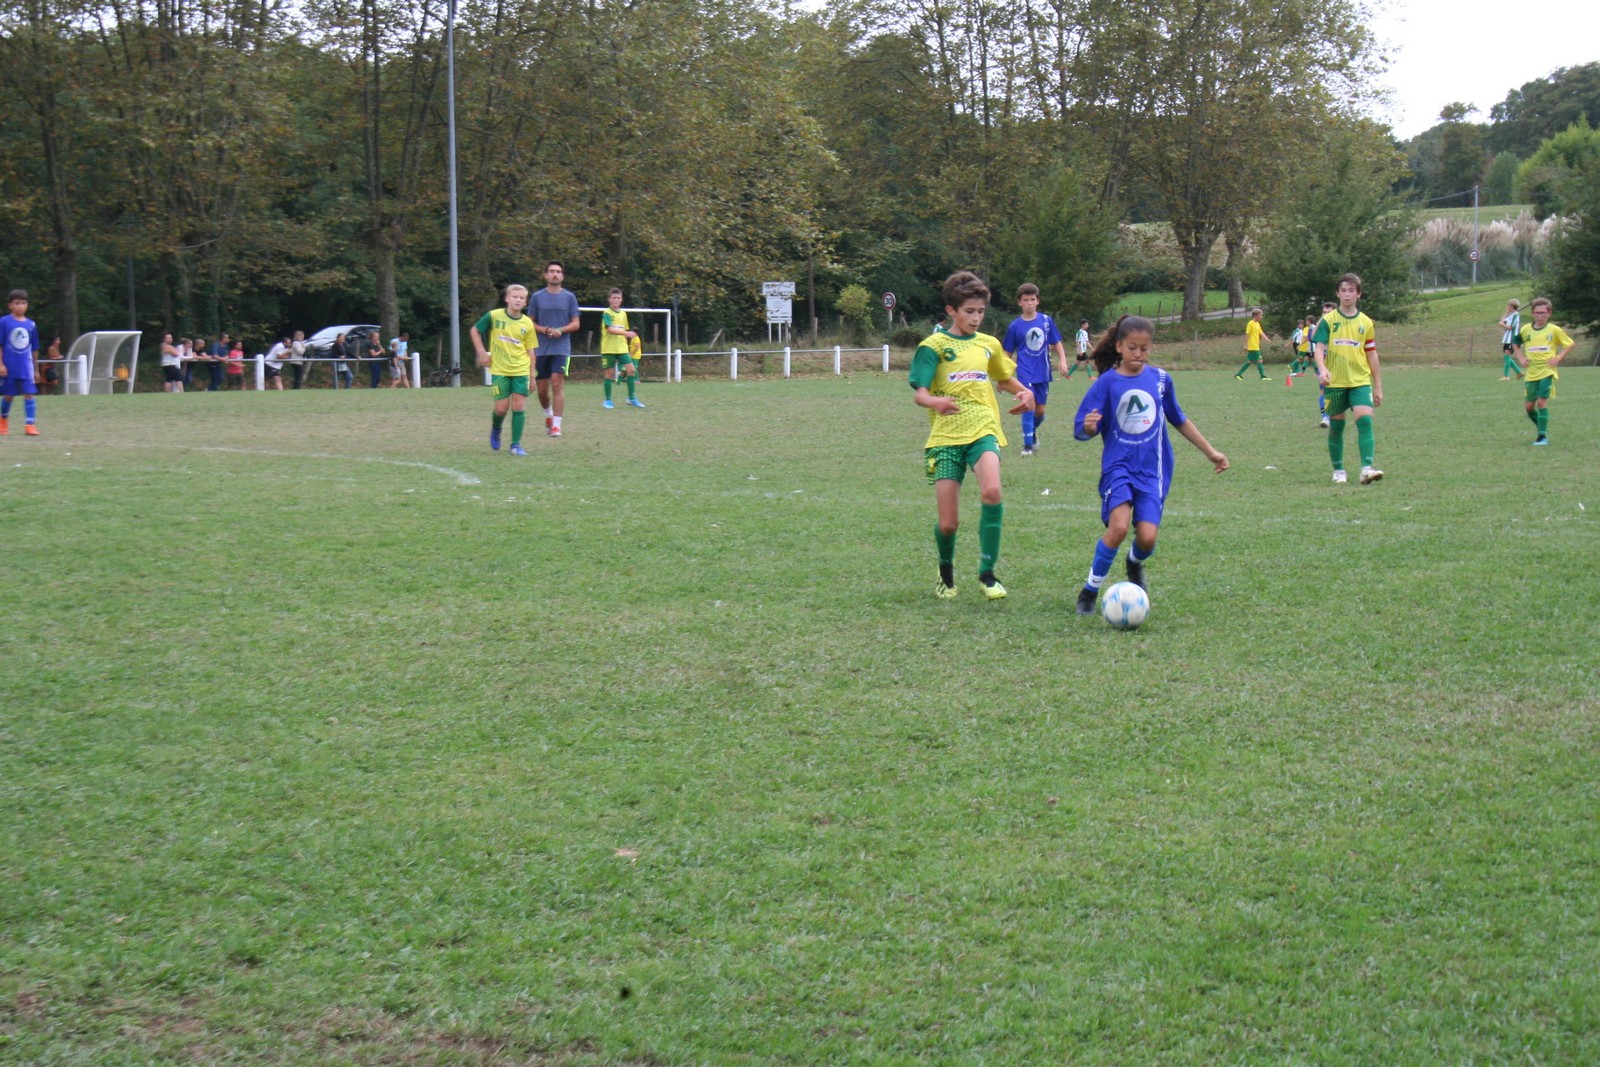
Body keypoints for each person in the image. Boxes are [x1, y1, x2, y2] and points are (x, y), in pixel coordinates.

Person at [1071, 315, 1228, 615]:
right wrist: (1089, 427)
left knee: (1147, 537)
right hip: (1118, 467)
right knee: (1118, 527)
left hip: (1152, 470)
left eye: (1144, 348)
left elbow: (1179, 419)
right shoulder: (1107, 383)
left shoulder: (1160, 380)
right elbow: (1082, 428)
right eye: (1132, 347)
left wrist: (1211, 452)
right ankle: (1089, 591)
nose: (1138, 354)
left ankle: (1134, 562)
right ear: (1119, 346)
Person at [909, 271, 1035, 601]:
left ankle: (988, 574)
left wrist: (1025, 392)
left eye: (981, 311)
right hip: (945, 437)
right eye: (969, 311)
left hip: (983, 428)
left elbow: (1004, 379)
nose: (976, 318)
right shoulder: (933, 347)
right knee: (948, 523)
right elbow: (920, 394)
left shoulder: (988, 344)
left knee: (992, 491)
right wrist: (935, 401)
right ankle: (945, 573)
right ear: (951, 310)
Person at [1312, 273, 1382, 485]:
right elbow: (1319, 348)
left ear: (1358, 294)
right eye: (1343, 290)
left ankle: (1366, 469)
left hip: (1360, 380)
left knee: (1365, 420)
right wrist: (1323, 369)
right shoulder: (1328, 320)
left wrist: (1378, 386)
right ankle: (1339, 470)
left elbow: (1372, 354)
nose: (1347, 294)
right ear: (1337, 293)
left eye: (1351, 290)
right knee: (1336, 426)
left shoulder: (1366, 322)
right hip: (1335, 382)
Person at [472, 282, 540, 456]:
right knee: (501, 409)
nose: (518, 300)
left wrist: (532, 376)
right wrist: (482, 352)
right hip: (500, 370)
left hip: (521, 370)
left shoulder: (527, 323)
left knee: (519, 406)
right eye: (515, 297)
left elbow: (531, 352)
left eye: (522, 298)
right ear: (507, 298)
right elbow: (475, 331)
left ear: (525, 302)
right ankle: (496, 429)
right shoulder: (494, 316)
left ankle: (515, 445)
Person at [1000, 282, 1067, 456]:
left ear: (1038, 301)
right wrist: (1002, 376)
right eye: (1025, 300)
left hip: (1043, 372)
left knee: (1040, 411)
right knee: (1028, 405)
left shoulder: (1046, 321)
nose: (1029, 303)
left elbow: (1056, 342)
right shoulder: (1015, 326)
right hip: (1025, 372)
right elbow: (1007, 352)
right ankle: (1027, 446)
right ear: (1019, 302)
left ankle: (1032, 431)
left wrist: (1063, 360)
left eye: (1032, 299)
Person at [1513, 296, 1573, 446]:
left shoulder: (1554, 330)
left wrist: (1558, 357)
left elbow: (1570, 344)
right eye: (1537, 312)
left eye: (1543, 313)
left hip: (1547, 370)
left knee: (1541, 402)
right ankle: (1542, 429)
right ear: (1532, 313)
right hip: (1531, 372)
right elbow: (1515, 343)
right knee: (1529, 407)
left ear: (1549, 313)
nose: (1540, 315)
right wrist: (1520, 358)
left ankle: (1542, 437)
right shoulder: (1526, 329)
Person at [530, 260, 580, 437]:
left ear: (562, 276)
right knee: (542, 390)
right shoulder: (537, 297)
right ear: (546, 275)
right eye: (552, 271)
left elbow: (576, 323)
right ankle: (548, 415)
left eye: (558, 271)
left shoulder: (569, 297)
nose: (555, 274)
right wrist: (544, 330)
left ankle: (557, 426)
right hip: (541, 349)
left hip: (561, 348)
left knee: (557, 382)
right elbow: (529, 322)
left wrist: (561, 330)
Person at [0, 289, 42, 436]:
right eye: (17, 303)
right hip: (9, 366)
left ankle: (30, 425)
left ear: (27, 305)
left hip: (26, 367)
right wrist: (1, 364)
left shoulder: (31, 325)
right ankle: (3, 420)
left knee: (29, 393)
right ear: (10, 305)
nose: (20, 306)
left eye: (23, 303)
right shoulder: (4, 322)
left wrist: (36, 369)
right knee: (9, 395)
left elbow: (34, 348)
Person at [600, 288, 645, 409]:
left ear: (621, 300)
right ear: (609, 300)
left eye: (618, 298)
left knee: (631, 370)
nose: (616, 300)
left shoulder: (623, 314)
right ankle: (608, 400)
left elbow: (624, 330)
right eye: (614, 298)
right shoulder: (607, 313)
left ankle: (631, 398)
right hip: (609, 348)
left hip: (622, 349)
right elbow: (610, 329)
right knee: (609, 373)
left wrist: (627, 339)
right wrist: (627, 333)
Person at [1235, 307, 1272, 380]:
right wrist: (1246, 345)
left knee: (1249, 361)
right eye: (1260, 315)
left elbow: (1261, 332)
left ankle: (1238, 374)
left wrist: (1266, 339)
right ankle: (1262, 376)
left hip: (1256, 345)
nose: (1261, 317)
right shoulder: (1250, 323)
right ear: (1255, 315)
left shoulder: (1257, 324)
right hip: (1253, 346)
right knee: (1260, 360)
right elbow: (1247, 334)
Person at [1498, 299, 1523, 380]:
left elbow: (1510, 327)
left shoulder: (1516, 315)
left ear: (1512, 306)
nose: (1507, 306)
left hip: (1512, 339)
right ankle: (1519, 372)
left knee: (1507, 356)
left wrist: (1502, 324)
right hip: (1507, 338)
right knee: (1506, 357)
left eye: (1508, 305)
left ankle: (1506, 376)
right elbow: (1502, 321)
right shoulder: (1511, 315)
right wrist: (1506, 313)